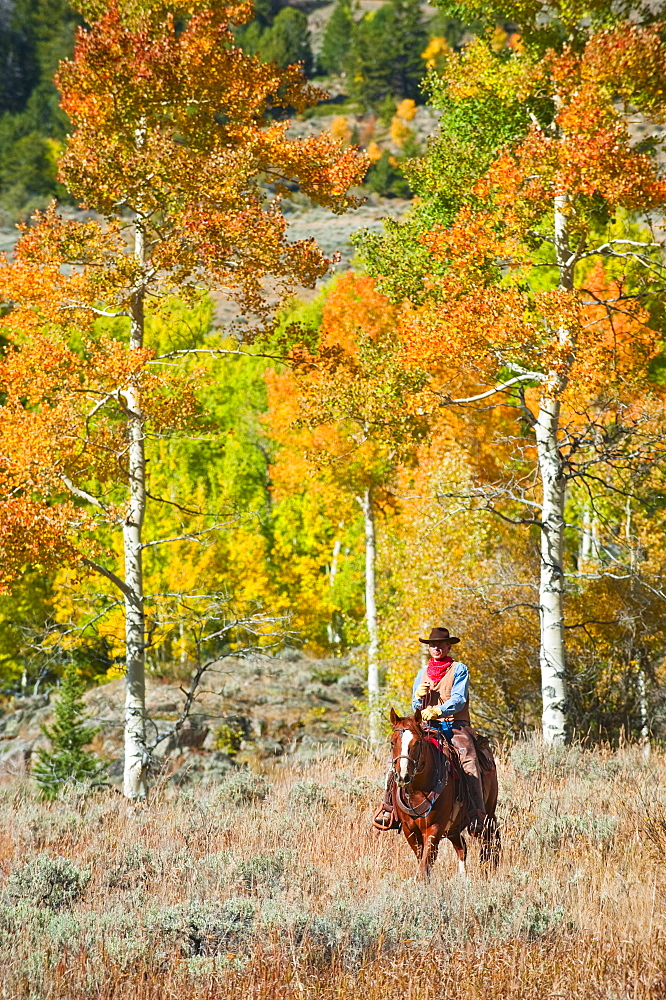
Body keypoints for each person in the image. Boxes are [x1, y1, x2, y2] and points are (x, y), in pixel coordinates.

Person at [374, 626, 487, 836]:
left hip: (454, 726)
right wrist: (418, 697)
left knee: (469, 759)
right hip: (427, 727)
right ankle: (389, 809)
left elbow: (459, 699)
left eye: (440, 645)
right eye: (432, 645)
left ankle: (476, 814)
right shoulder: (423, 672)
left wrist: (439, 710)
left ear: (448, 646)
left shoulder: (459, 669)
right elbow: (415, 704)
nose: (436, 648)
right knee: (400, 758)